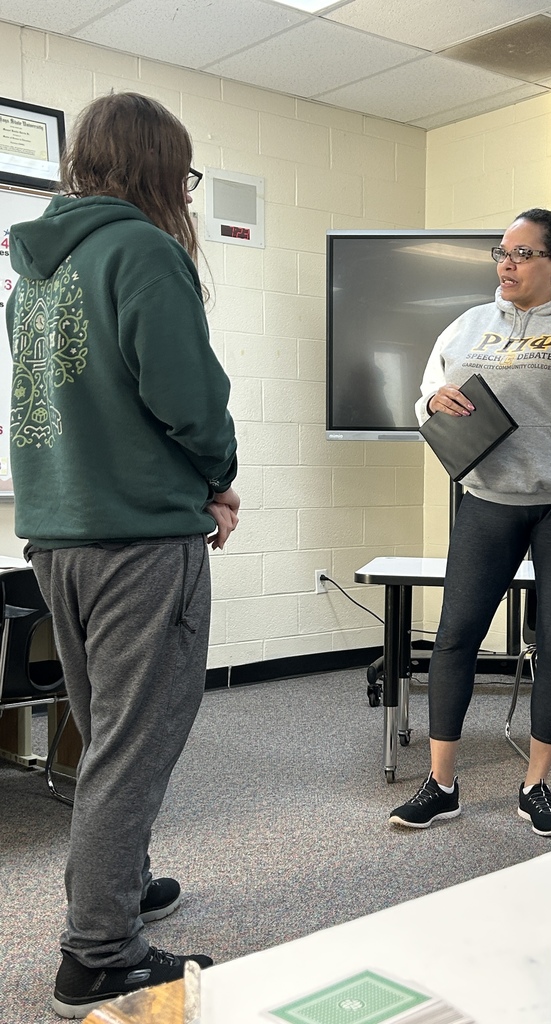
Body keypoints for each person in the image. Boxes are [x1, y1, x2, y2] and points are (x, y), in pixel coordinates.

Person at [6, 92, 239, 1018]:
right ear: (155, 168)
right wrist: (217, 477)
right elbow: (187, 398)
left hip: (59, 535)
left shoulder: (33, 275)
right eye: (181, 175)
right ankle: (97, 953)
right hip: (141, 537)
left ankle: (119, 880)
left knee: (104, 732)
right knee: (135, 745)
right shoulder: (143, 250)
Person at [388, 208, 551, 838]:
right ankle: (442, 784)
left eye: (522, 253)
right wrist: (430, 401)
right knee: (455, 638)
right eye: (500, 253)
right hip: (488, 499)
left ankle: (536, 786)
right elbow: (427, 393)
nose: (506, 264)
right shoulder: (469, 325)